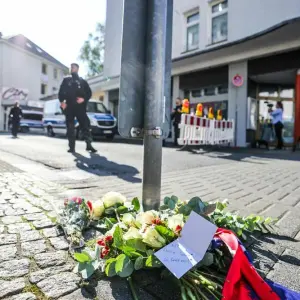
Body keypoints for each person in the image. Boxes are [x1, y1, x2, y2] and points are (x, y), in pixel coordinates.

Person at [58, 63, 97, 153]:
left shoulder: (82, 81)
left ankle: (89, 145)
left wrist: (83, 99)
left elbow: (89, 93)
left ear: (77, 69)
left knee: (85, 126)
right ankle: (72, 147)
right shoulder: (66, 80)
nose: (71, 68)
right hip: (69, 107)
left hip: (80, 108)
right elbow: (61, 92)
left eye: (73, 67)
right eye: (70, 67)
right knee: (70, 128)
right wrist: (62, 102)